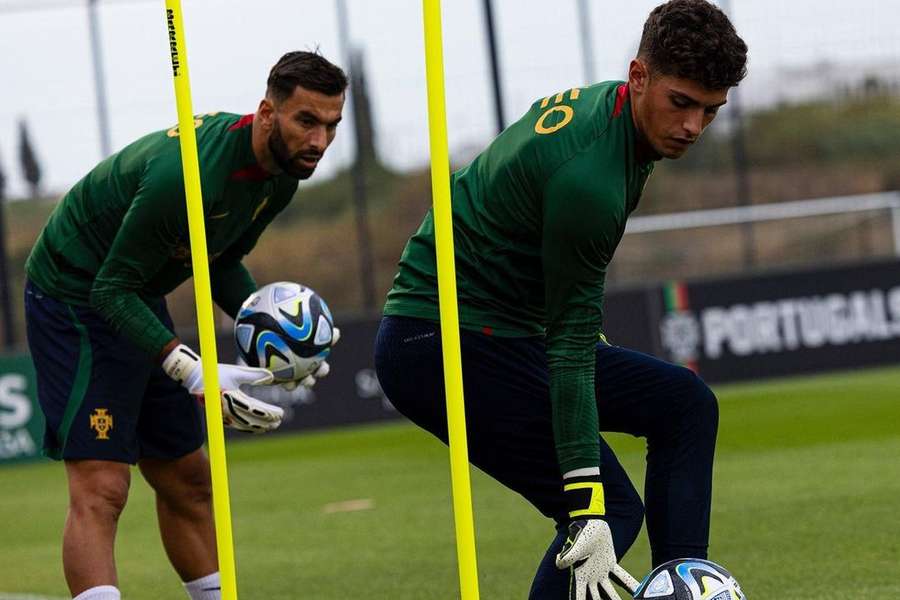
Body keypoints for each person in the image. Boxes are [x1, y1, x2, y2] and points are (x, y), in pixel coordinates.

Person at [375, 1, 748, 598]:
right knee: (608, 515)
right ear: (639, 76)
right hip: (441, 340)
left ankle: (682, 588)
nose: (693, 127)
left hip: (501, 330)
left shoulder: (619, 119)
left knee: (683, 403)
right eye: (682, 102)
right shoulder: (591, 181)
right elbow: (570, 349)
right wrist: (584, 502)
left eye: (711, 110)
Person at [24, 51, 346, 600]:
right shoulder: (187, 176)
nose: (319, 141)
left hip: (135, 290)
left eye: (332, 125)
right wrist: (192, 370)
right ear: (267, 113)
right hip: (74, 294)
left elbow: (217, 260)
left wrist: (282, 335)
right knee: (104, 487)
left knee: (189, 480)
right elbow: (108, 289)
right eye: (306, 122)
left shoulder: (281, 177)